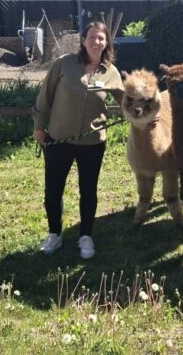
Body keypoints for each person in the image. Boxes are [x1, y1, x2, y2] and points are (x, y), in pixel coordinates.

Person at [32, 21, 124, 260]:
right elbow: (44, 98)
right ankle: (54, 234)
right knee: (53, 190)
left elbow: (127, 103)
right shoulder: (63, 64)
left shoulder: (111, 72)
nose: (96, 42)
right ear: (83, 40)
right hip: (58, 139)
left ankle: (86, 236)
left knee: (88, 190)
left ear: (107, 43)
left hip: (92, 143)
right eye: (92, 37)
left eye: (101, 39)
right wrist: (38, 127)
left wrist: (146, 114)